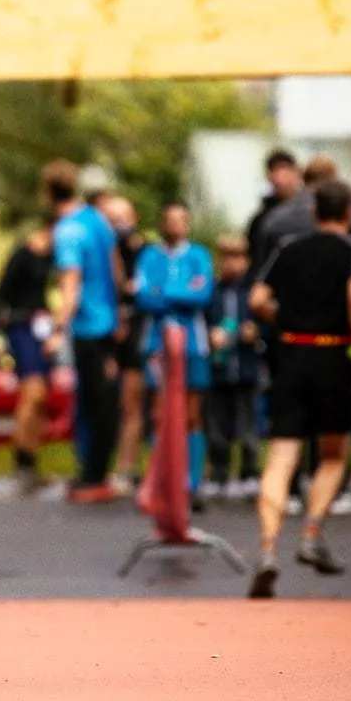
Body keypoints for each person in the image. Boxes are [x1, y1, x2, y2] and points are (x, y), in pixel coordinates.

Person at [245, 179, 351, 598]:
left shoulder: (288, 249)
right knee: (333, 454)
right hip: (333, 355)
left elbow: (258, 299)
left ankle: (268, 549)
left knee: (282, 456)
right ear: (349, 212)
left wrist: (284, 317)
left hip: (290, 356)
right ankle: (311, 533)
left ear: (315, 211)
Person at [45, 160, 122, 504]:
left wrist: (58, 329)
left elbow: (70, 284)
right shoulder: (98, 220)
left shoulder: (67, 231)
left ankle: (92, 476)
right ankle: (99, 473)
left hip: (89, 328)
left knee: (92, 404)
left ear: (47, 193)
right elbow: (117, 270)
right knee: (105, 402)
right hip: (108, 323)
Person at [135, 202, 215, 506]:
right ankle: (162, 480)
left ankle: (191, 483)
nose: (175, 225)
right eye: (170, 219)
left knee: (192, 414)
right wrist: (180, 292)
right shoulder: (150, 255)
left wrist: (164, 291)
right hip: (157, 345)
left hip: (193, 345)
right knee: (159, 413)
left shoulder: (199, 256)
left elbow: (202, 295)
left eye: (182, 219)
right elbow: (142, 297)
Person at [0, 217, 56, 494]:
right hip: (20, 327)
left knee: (41, 398)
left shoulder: (54, 258)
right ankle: (22, 458)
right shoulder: (22, 254)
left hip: (43, 329)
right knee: (33, 392)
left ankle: (32, 456)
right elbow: (0, 294)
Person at [206, 235, 262, 499]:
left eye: (237, 257)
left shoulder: (252, 292)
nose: (232, 263)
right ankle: (219, 470)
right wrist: (210, 334)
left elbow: (267, 322)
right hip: (218, 368)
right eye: (226, 257)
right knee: (217, 423)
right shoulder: (212, 292)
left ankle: (250, 471)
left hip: (246, 366)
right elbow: (203, 321)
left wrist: (256, 331)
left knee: (248, 422)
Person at [102, 193, 151, 491]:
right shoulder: (101, 251)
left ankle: (127, 467)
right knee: (107, 403)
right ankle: (100, 466)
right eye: (112, 219)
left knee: (131, 404)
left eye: (124, 217)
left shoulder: (146, 252)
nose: (119, 224)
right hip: (106, 335)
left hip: (135, 335)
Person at [245, 149, 301, 279]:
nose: (280, 179)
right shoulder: (261, 219)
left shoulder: (310, 211)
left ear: (296, 173)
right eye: (276, 172)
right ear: (269, 176)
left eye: (285, 171)